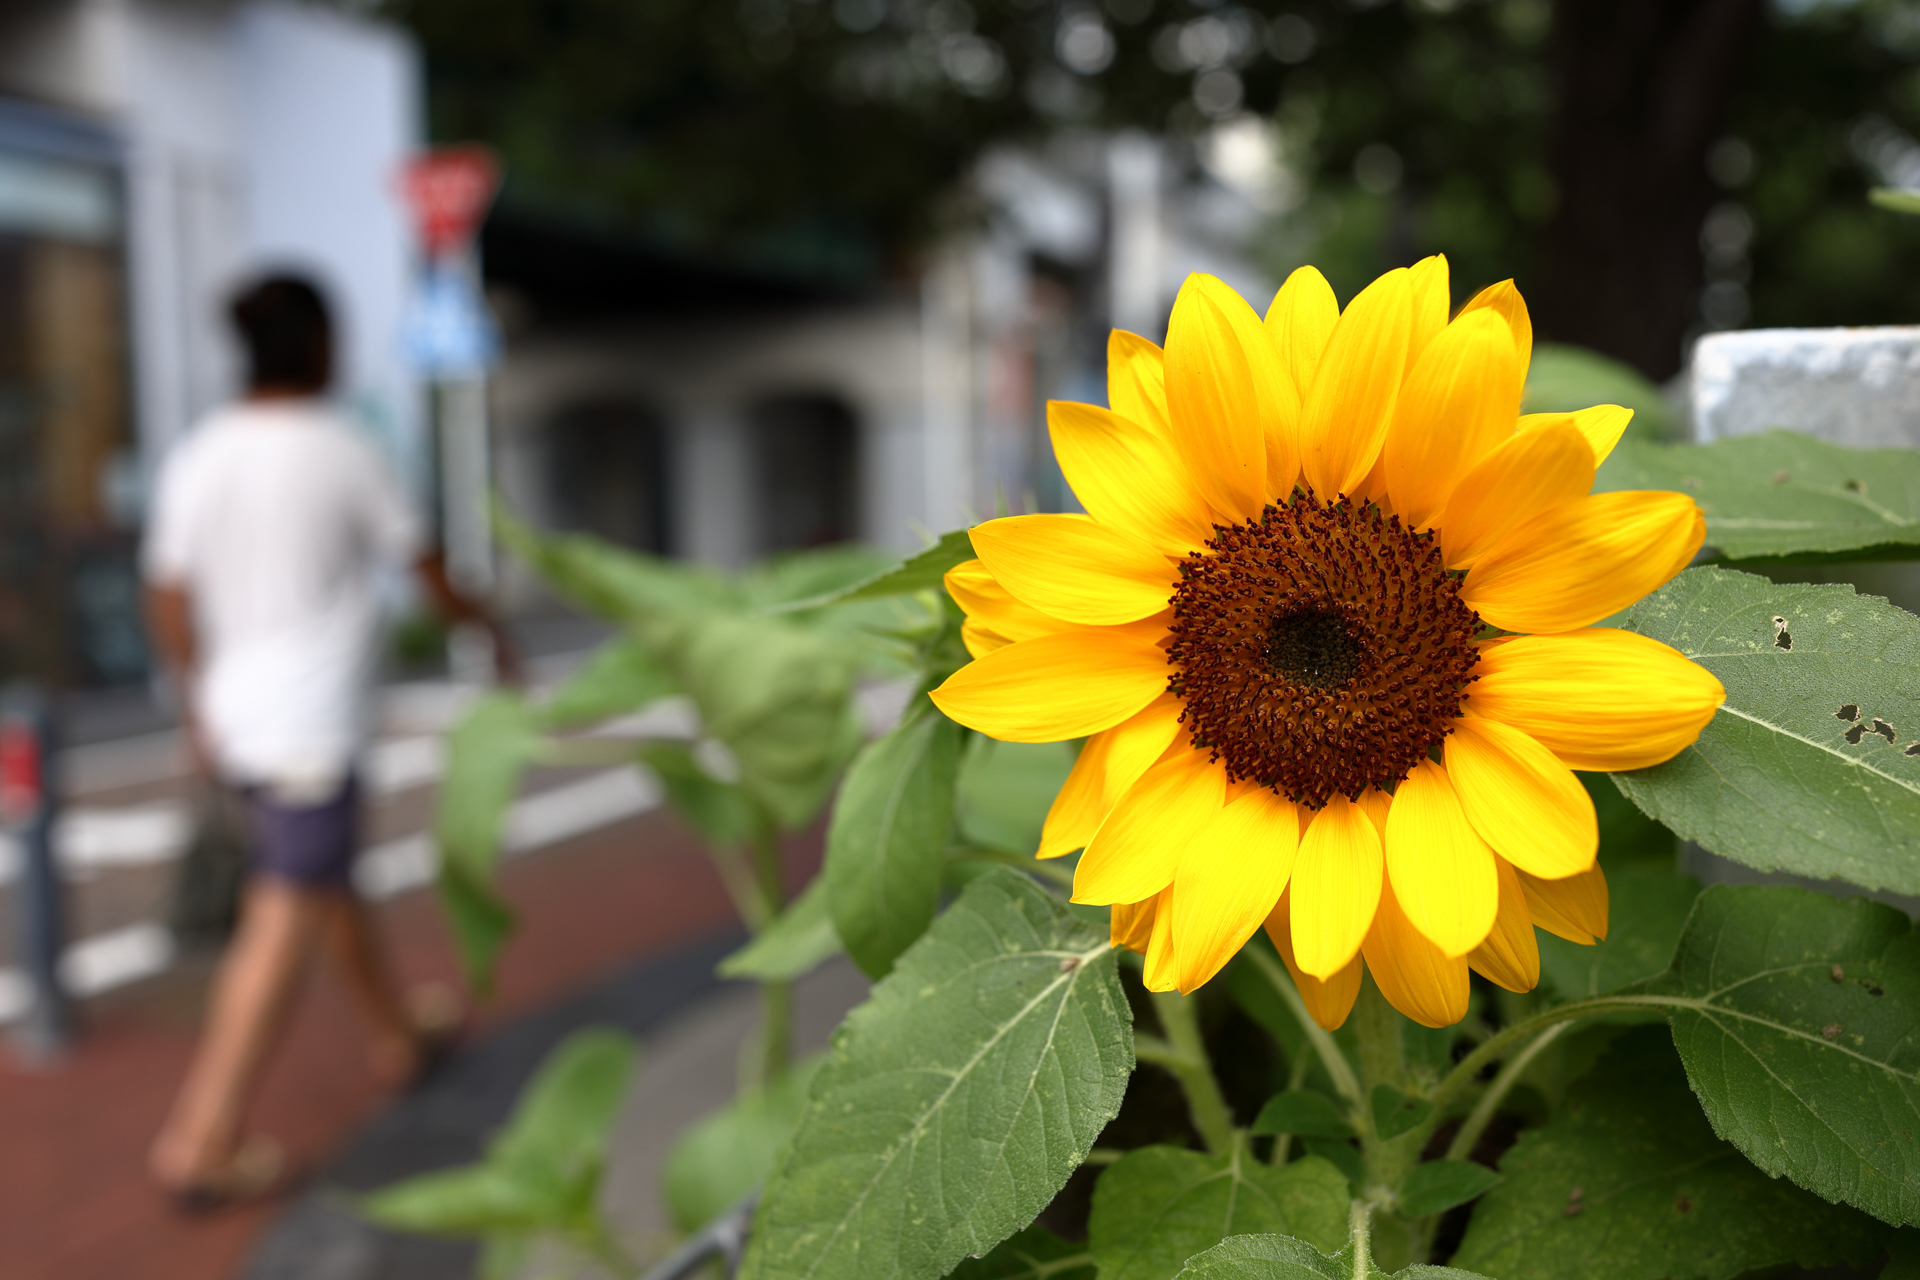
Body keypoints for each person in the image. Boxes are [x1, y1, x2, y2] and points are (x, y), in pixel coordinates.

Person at [143, 275, 518, 1209]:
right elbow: (427, 569)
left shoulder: (202, 452)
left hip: (240, 719)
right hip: (310, 725)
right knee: (284, 915)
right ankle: (203, 1135)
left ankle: (396, 1033)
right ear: (315, 344)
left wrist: (197, 699)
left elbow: (168, 592)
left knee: (327, 882)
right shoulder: (343, 449)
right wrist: (493, 631)